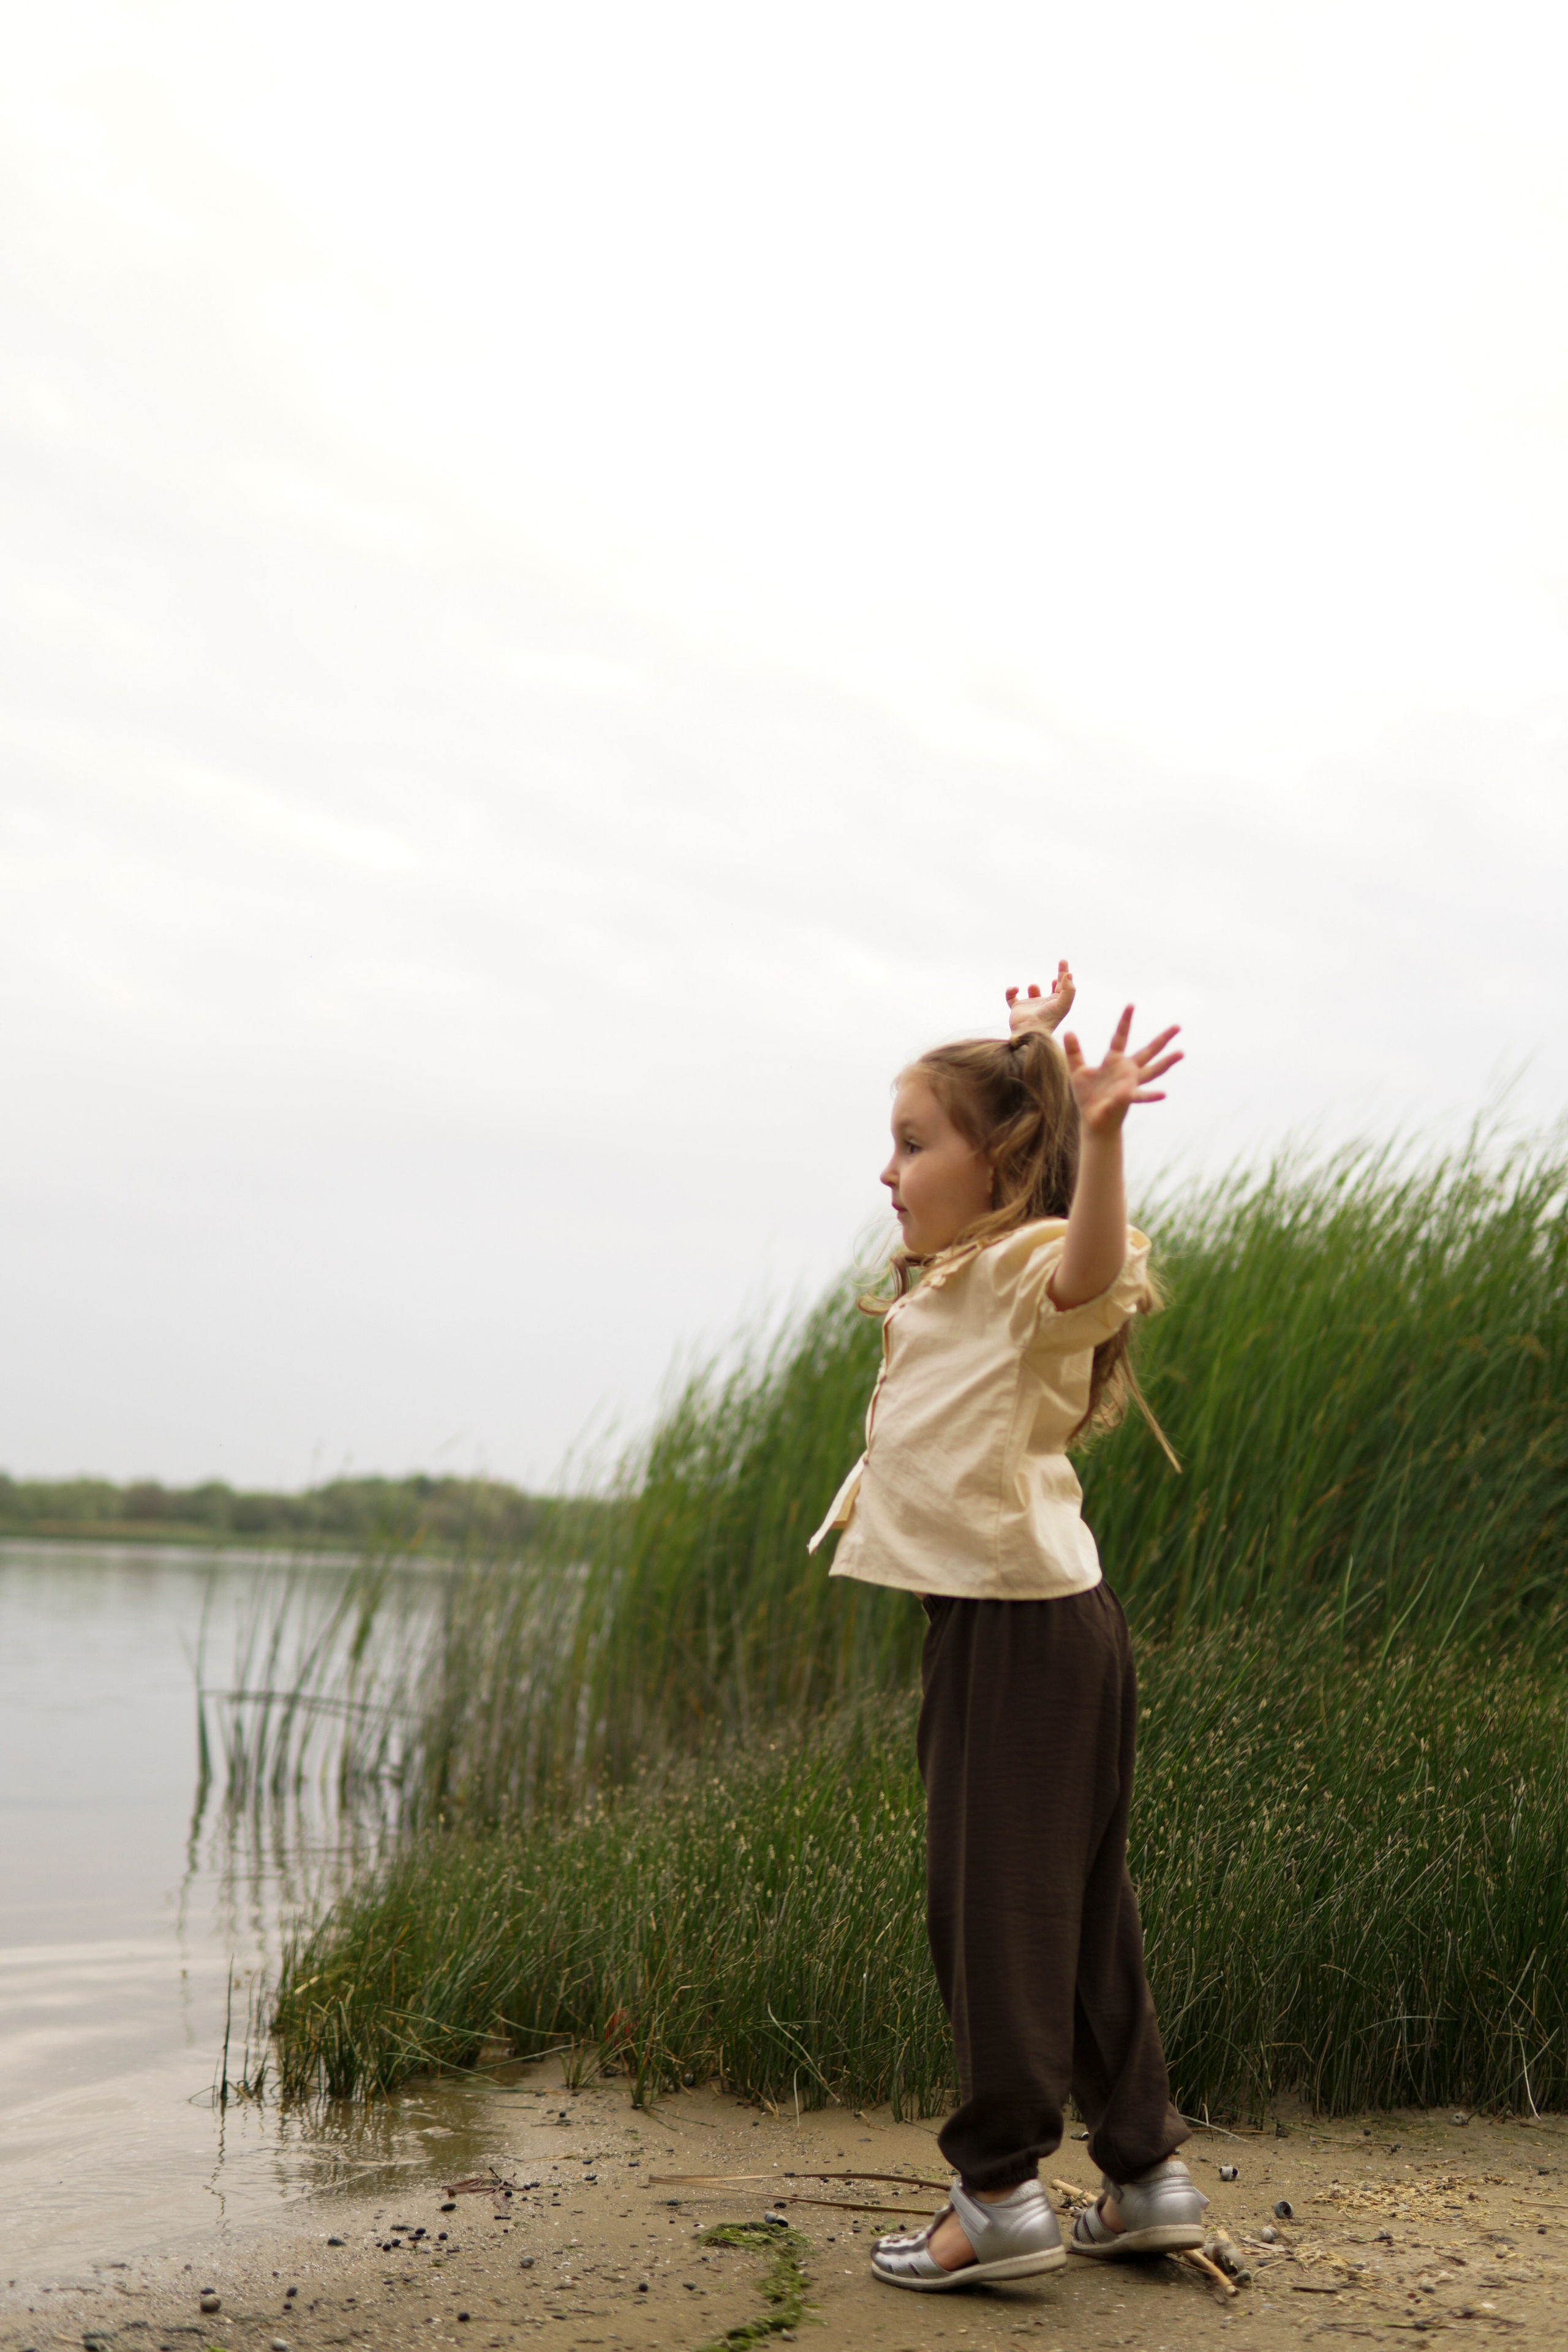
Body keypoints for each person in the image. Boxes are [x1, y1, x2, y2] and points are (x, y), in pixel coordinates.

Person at [808, 962, 1208, 2291]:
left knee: (987, 1917)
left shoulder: (1026, 1267)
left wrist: (1093, 1137)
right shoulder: (955, 1280)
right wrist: (1032, 1050)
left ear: (998, 1166)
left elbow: (1086, 1268)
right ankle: (1144, 2176)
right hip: (1043, 1624)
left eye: (912, 1143)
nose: (886, 1170)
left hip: (1015, 1633)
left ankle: (993, 2197)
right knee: (1078, 1911)